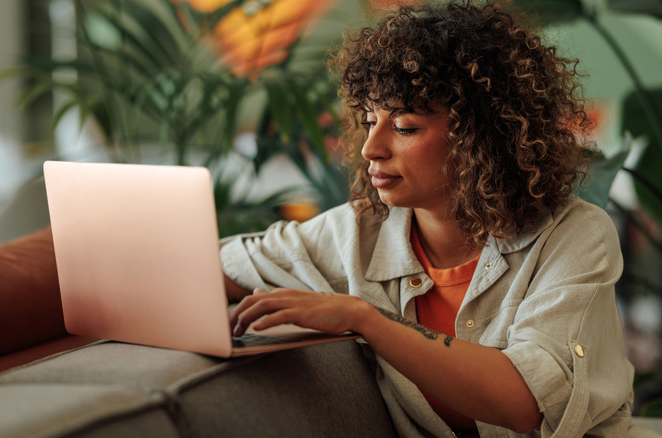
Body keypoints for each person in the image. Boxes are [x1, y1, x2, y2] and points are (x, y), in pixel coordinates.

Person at [223, 1, 635, 436]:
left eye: (403, 127)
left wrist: (364, 318)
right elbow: (215, 268)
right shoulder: (357, 233)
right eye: (368, 121)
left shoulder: (574, 236)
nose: (370, 149)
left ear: (482, 135)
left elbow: (524, 402)